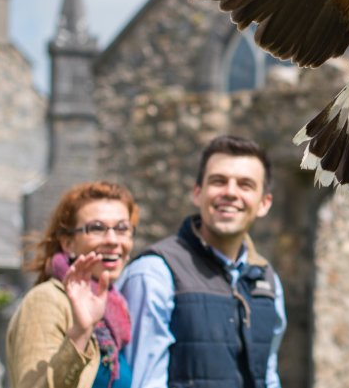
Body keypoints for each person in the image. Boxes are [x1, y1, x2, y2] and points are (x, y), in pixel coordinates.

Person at [117, 134, 286, 388]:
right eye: (218, 181)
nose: (230, 192)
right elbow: (143, 383)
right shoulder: (154, 273)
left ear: (264, 203)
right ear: (197, 193)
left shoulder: (269, 282)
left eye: (245, 185)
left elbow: (268, 376)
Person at [7, 181, 139, 388]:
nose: (113, 240)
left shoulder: (116, 309)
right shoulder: (46, 301)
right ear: (67, 243)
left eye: (122, 229)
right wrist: (80, 333)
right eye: (96, 228)